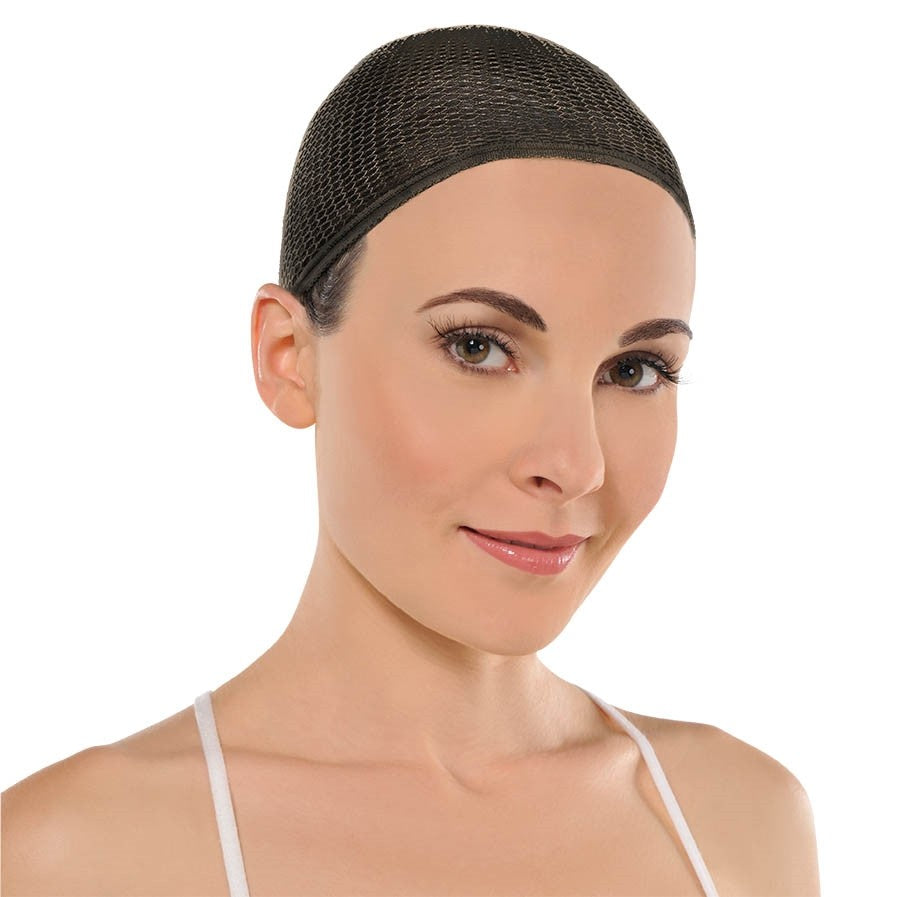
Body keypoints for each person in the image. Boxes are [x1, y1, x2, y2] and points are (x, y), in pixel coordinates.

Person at [1, 24, 819, 897]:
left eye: (635, 369)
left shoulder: (741, 820)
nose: (576, 463)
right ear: (289, 357)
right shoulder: (74, 856)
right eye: (478, 347)